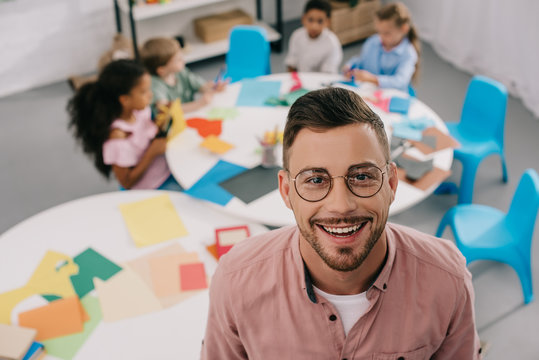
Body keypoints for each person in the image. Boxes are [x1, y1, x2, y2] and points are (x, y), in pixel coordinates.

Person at [201, 87, 482, 359]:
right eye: (315, 180)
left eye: (361, 176)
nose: (341, 205)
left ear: (392, 183)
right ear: (286, 191)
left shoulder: (449, 280)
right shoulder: (236, 282)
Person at [67, 59, 182, 191]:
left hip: (169, 167)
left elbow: (146, 133)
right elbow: (127, 182)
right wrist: (152, 153)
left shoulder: (140, 111)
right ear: (125, 100)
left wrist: (161, 120)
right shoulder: (117, 138)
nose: (151, 95)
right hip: (151, 187)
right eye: (144, 92)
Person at [343, 2, 420, 92]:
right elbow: (362, 60)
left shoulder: (409, 54)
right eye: (379, 32)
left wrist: (373, 79)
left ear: (404, 29)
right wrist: (350, 65)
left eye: (387, 33)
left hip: (391, 95)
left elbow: (400, 82)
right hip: (368, 91)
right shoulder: (373, 41)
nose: (381, 37)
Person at [140, 37, 227, 114]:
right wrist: (197, 104)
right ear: (161, 70)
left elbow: (200, 86)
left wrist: (213, 88)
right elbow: (167, 109)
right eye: (178, 60)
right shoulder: (154, 85)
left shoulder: (181, 72)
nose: (183, 60)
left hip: (188, 117)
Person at [285, 0, 343, 74]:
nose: (314, 26)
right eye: (310, 20)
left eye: (320, 21)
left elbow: (328, 74)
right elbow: (291, 65)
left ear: (328, 22)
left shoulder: (332, 43)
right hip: (300, 81)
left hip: (323, 83)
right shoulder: (297, 36)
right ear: (303, 19)